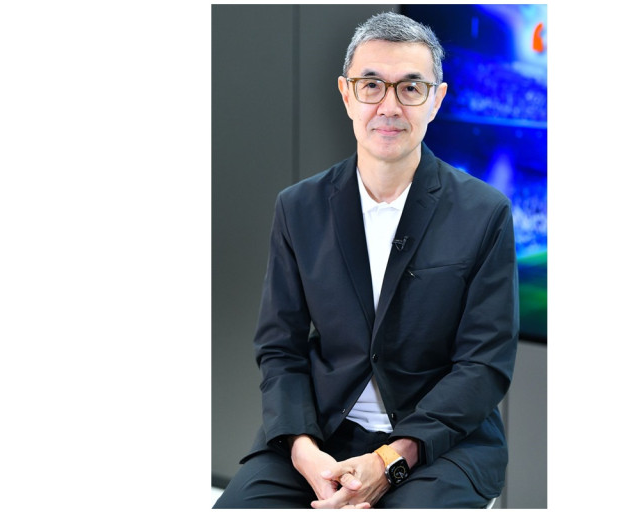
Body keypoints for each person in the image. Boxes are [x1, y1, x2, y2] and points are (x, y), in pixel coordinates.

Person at [214, 11, 519, 509]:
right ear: (346, 94)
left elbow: (483, 365)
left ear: (437, 99)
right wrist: (305, 453)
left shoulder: (485, 213)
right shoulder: (299, 207)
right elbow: (280, 348)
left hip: (441, 444)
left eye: (411, 88)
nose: (389, 106)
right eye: (372, 85)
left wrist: (390, 459)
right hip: (321, 433)